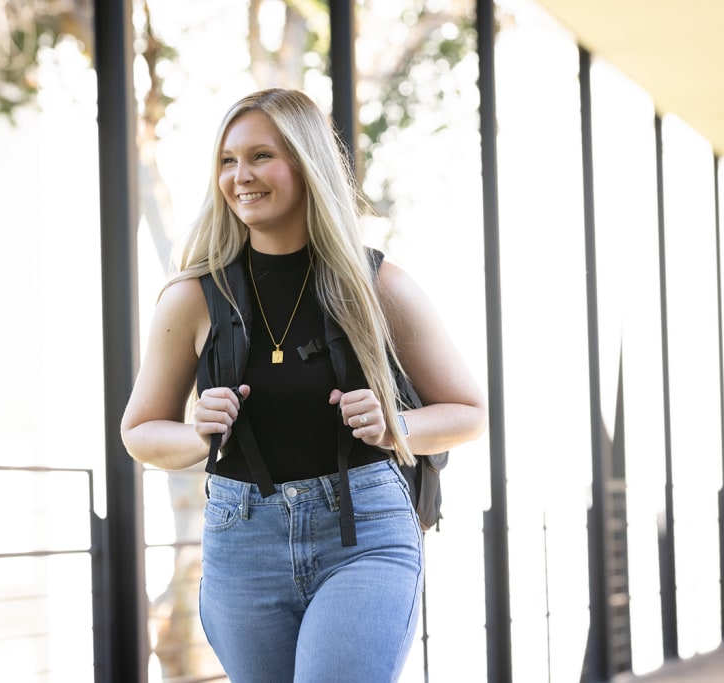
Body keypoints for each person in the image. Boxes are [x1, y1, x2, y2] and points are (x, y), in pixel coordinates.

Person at [120, 88, 486, 683]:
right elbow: (139, 431)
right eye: (227, 160)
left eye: (261, 156)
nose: (241, 176)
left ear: (306, 163)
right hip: (243, 544)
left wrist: (396, 424)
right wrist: (197, 434)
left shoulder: (378, 285)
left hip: (364, 533)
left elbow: (468, 411)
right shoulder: (192, 297)